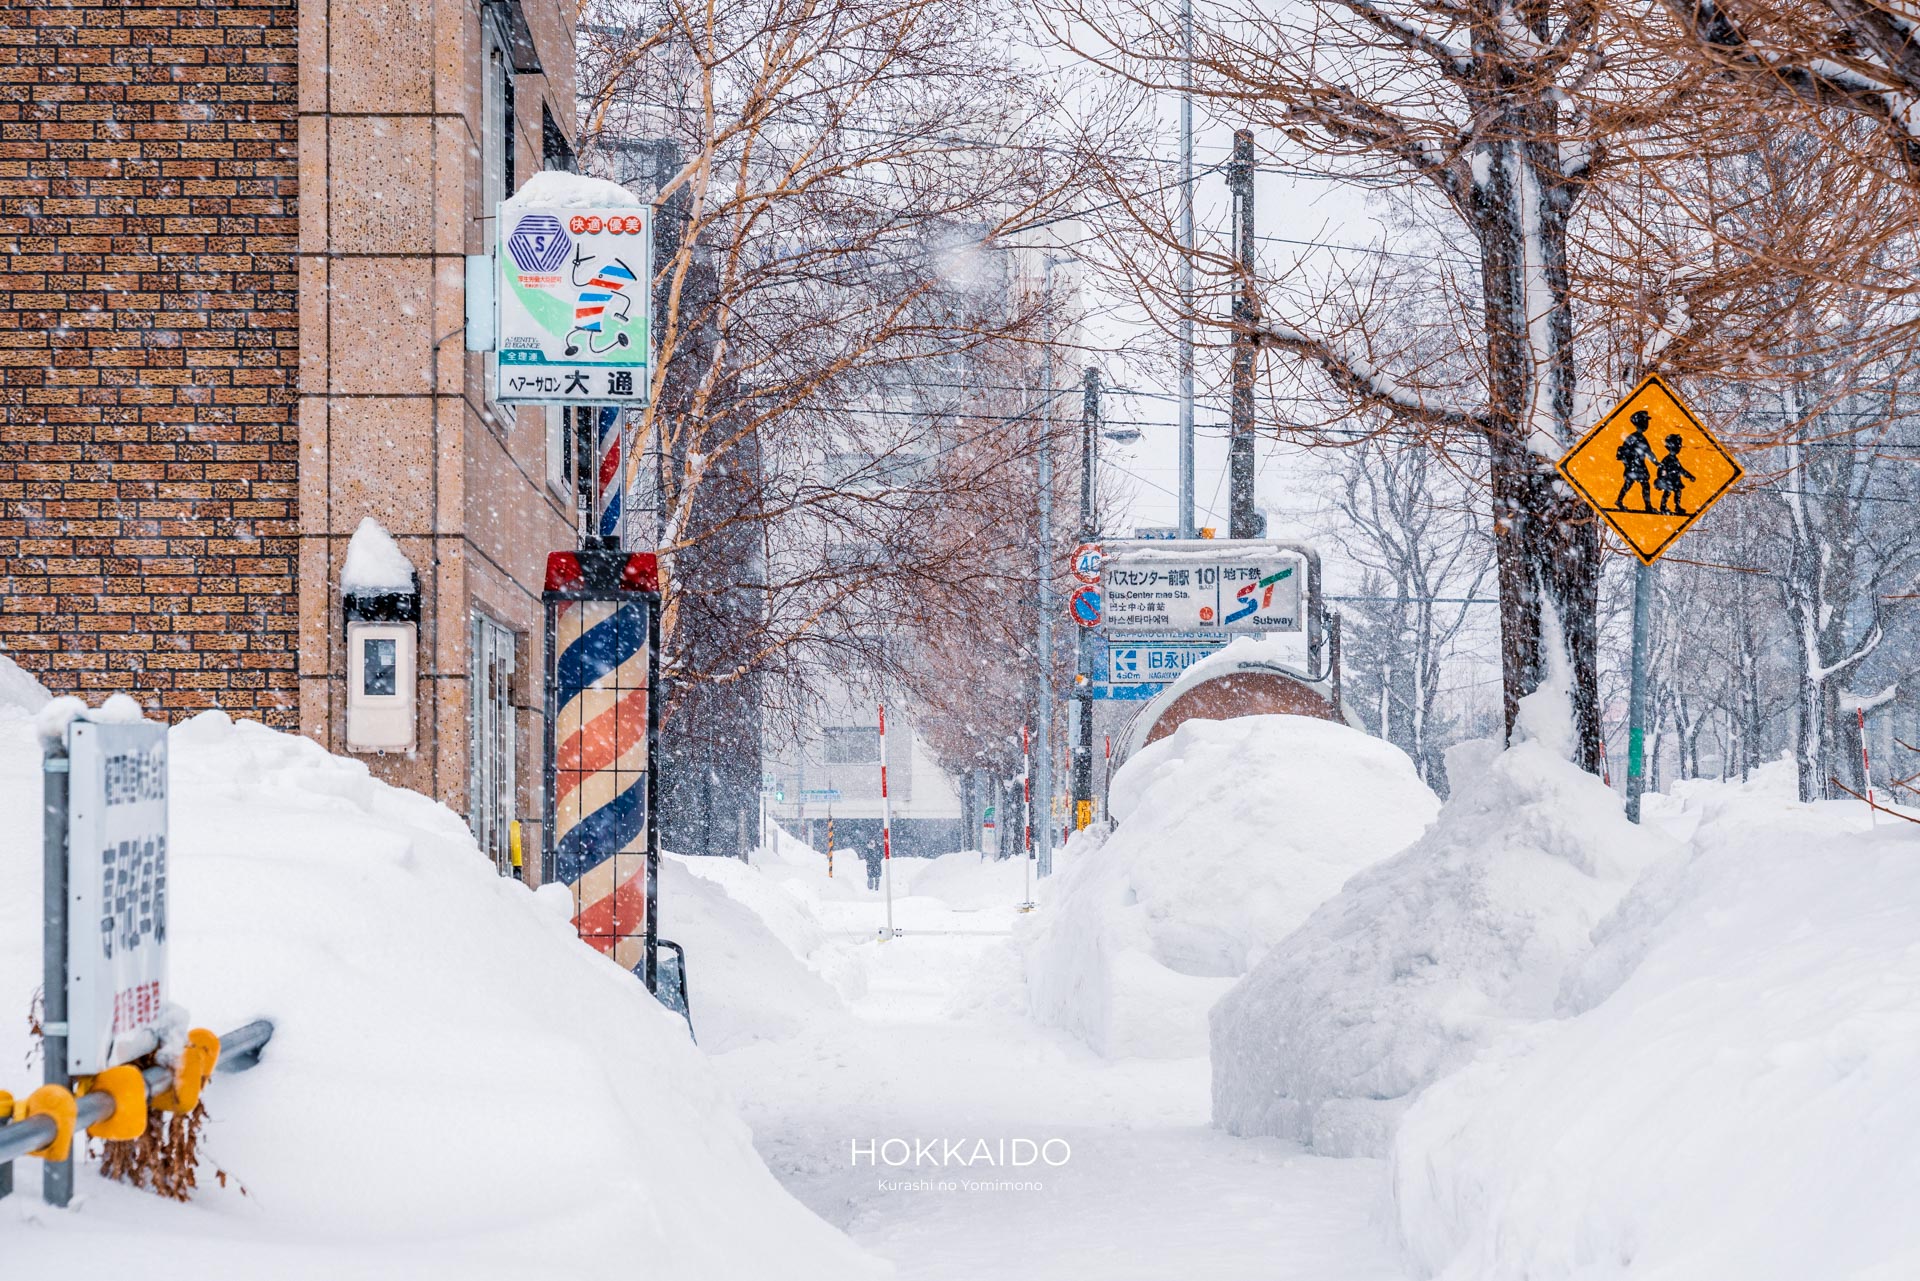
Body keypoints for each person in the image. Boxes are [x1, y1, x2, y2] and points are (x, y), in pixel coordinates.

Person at [1614, 409, 1655, 512]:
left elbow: (1648, 453)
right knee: (1643, 485)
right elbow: (1649, 453)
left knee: (1631, 484)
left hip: (1635, 466)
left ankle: (1619, 501)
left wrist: (1657, 463)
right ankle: (1648, 506)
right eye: (1646, 421)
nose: (1647, 424)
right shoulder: (1637, 438)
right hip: (1636, 466)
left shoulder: (1635, 437)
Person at [1655, 433, 1696, 515]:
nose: (1679, 448)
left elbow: (1680, 469)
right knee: (1668, 492)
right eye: (1678, 446)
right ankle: (1663, 507)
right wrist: (1662, 478)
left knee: (1677, 492)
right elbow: (1661, 469)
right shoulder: (1667, 459)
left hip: (1674, 480)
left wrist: (1689, 476)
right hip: (1669, 480)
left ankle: (1677, 506)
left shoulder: (1674, 459)